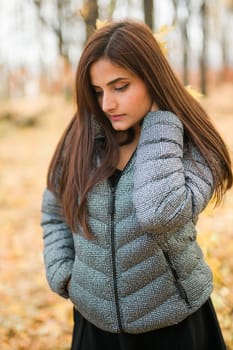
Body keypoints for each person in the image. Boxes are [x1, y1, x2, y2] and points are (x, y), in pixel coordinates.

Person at [41, 20, 232, 350]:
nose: (106, 105)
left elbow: (160, 213)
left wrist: (161, 123)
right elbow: (55, 210)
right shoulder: (83, 141)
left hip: (175, 326)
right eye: (98, 91)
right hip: (94, 328)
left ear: (152, 79)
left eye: (120, 86)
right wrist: (65, 274)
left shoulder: (195, 148)